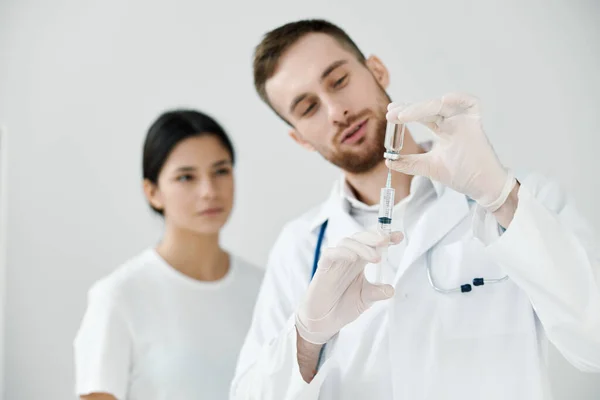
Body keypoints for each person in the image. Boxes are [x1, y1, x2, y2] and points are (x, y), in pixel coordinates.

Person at [230, 19, 600, 400]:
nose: (335, 110)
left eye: (339, 81)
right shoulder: (298, 248)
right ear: (299, 138)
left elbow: (595, 343)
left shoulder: (524, 198)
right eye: (308, 108)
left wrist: (500, 197)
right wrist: (306, 339)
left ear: (376, 70)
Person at [73, 110, 263, 400]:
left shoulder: (265, 289)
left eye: (221, 171)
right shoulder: (119, 297)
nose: (209, 191)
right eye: (186, 177)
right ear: (152, 192)